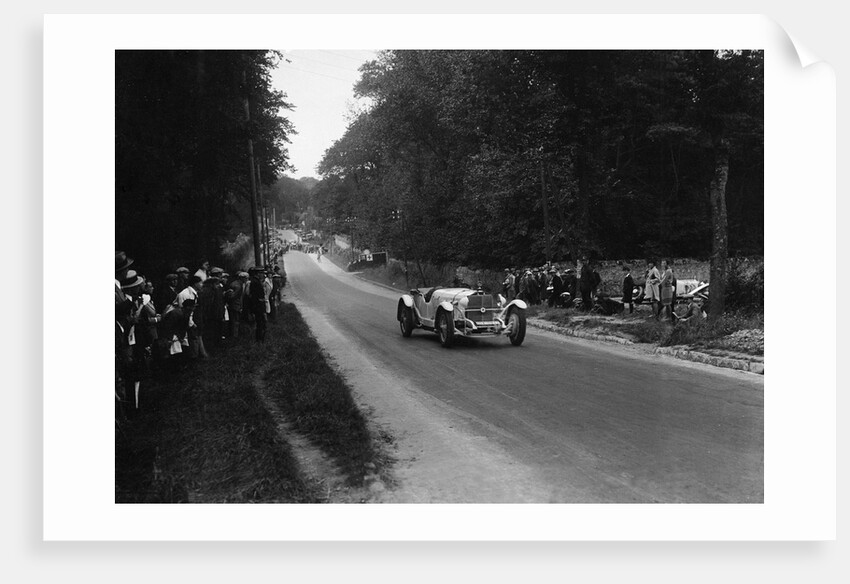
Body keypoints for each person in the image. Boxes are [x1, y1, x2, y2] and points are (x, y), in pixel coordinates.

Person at [248, 267, 267, 342]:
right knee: (260, 324)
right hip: (258, 306)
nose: (263, 275)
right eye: (261, 273)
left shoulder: (256, 281)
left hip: (258, 305)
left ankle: (260, 339)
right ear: (258, 273)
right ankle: (259, 340)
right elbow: (256, 297)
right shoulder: (255, 282)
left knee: (261, 324)